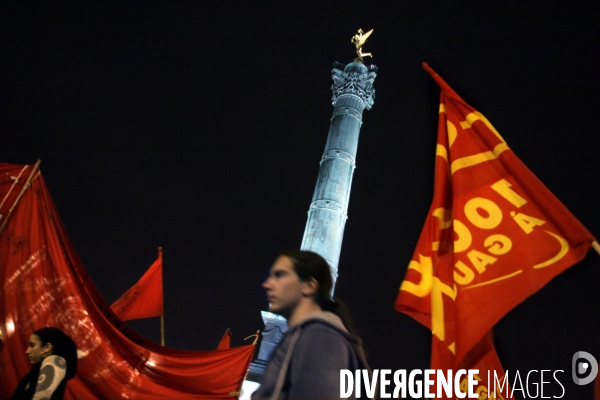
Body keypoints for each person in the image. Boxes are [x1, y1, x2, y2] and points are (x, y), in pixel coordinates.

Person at [252, 249, 372, 400]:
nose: (267, 284)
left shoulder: (319, 336)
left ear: (309, 286)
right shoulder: (305, 335)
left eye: (280, 275)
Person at [11, 327, 78, 400]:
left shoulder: (54, 361)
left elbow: (42, 397)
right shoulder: (38, 369)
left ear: (47, 347)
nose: (27, 351)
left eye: (32, 345)